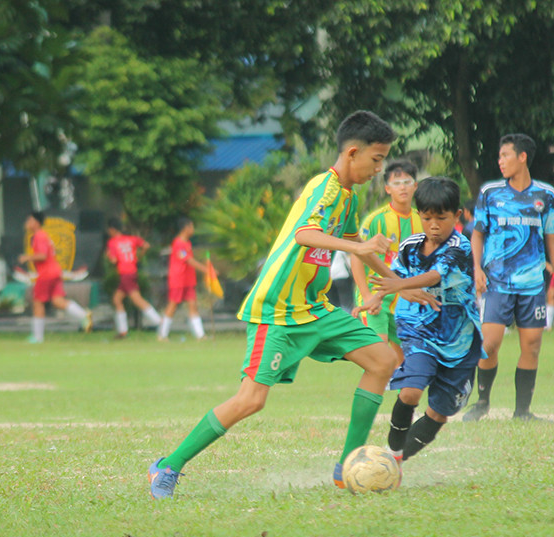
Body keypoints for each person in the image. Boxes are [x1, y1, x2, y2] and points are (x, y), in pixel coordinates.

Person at [147, 110, 439, 499]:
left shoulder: (349, 199)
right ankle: (167, 466)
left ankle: (346, 464)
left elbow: (361, 249)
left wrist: (399, 285)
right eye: (377, 159)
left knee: (383, 360)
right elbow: (305, 234)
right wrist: (358, 246)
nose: (380, 168)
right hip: (278, 311)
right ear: (352, 153)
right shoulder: (325, 187)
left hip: (315, 308)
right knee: (251, 400)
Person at [361, 177, 483, 463]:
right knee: (411, 391)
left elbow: (436, 275)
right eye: (427, 218)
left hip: (459, 340)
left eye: (442, 218)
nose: (434, 225)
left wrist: (401, 286)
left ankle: (398, 461)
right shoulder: (409, 246)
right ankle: (392, 454)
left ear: (457, 216)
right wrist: (376, 297)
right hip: (419, 330)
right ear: (419, 216)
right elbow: (394, 277)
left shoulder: (460, 246)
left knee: (439, 412)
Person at [463, 133, 554, 422]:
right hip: (497, 283)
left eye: (505, 155)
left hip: (533, 284)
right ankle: (482, 402)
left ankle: (522, 412)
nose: (500, 161)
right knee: (490, 344)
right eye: (499, 156)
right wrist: (477, 268)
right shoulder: (490, 193)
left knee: (532, 344)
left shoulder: (546, 195)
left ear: (522, 157)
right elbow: (478, 234)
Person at [349, 160, 423, 368]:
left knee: (407, 361)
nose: (403, 187)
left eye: (407, 182)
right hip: (376, 298)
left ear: (415, 185)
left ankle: (402, 400)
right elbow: (357, 255)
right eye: (397, 182)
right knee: (380, 356)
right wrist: (366, 295)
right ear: (387, 188)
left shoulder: (422, 221)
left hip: (406, 301)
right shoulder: (375, 220)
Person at [18, 212, 92, 343]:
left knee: (38, 303)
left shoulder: (39, 236)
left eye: (29, 220)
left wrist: (27, 257)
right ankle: (83, 315)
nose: (27, 223)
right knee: (57, 301)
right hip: (55, 272)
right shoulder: (43, 235)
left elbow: (42, 255)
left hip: (46, 274)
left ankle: (37, 337)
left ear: (36, 223)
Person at [105, 220, 163, 338]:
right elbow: (146, 245)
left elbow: (114, 260)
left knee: (137, 300)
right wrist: (138, 257)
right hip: (132, 271)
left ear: (112, 229)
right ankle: (123, 331)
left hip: (125, 273)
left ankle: (160, 323)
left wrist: (108, 256)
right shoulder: (132, 239)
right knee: (117, 299)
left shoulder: (113, 242)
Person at [158, 217, 208, 341]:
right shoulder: (178, 244)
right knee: (173, 305)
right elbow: (189, 260)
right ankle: (162, 334)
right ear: (186, 228)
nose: (193, 229)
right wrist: (206, 270)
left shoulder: (187, 244)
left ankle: (200, 335)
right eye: (192, 226)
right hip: (178, 280)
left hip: (188, 280)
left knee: (193, 306)